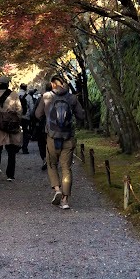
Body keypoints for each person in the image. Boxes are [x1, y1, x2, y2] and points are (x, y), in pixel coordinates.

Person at [35, 74, 85, 209]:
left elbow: (37, 114)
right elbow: (81, 115)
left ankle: (57, 189)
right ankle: (65, 199)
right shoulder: (72, 98)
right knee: (66, 168)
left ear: (52, 84)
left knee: (51, 164)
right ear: (63, 84)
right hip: (68, 137)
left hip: (52, 137)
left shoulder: (46, 97)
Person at [0, 76, 23, 182]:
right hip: (11, 125)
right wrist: (17, 121)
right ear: (7, 84)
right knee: (11, 151)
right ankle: (10, 175)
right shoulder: (14, 95)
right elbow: (19, 110)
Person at [30, 85, 48, 171]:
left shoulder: (40, 99)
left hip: (42, 124)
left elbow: (34, 112)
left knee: (41, 143)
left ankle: (44, 158)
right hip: (55, 126)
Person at [18, 84, 31, 154]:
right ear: (26, 88)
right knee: (26, 132)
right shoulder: (28, 96)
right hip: (26, 117)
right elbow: (31, 108)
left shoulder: (15, 95)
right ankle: (24, 148)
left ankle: (16, 145)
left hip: (17, 117)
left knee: (17, 131)